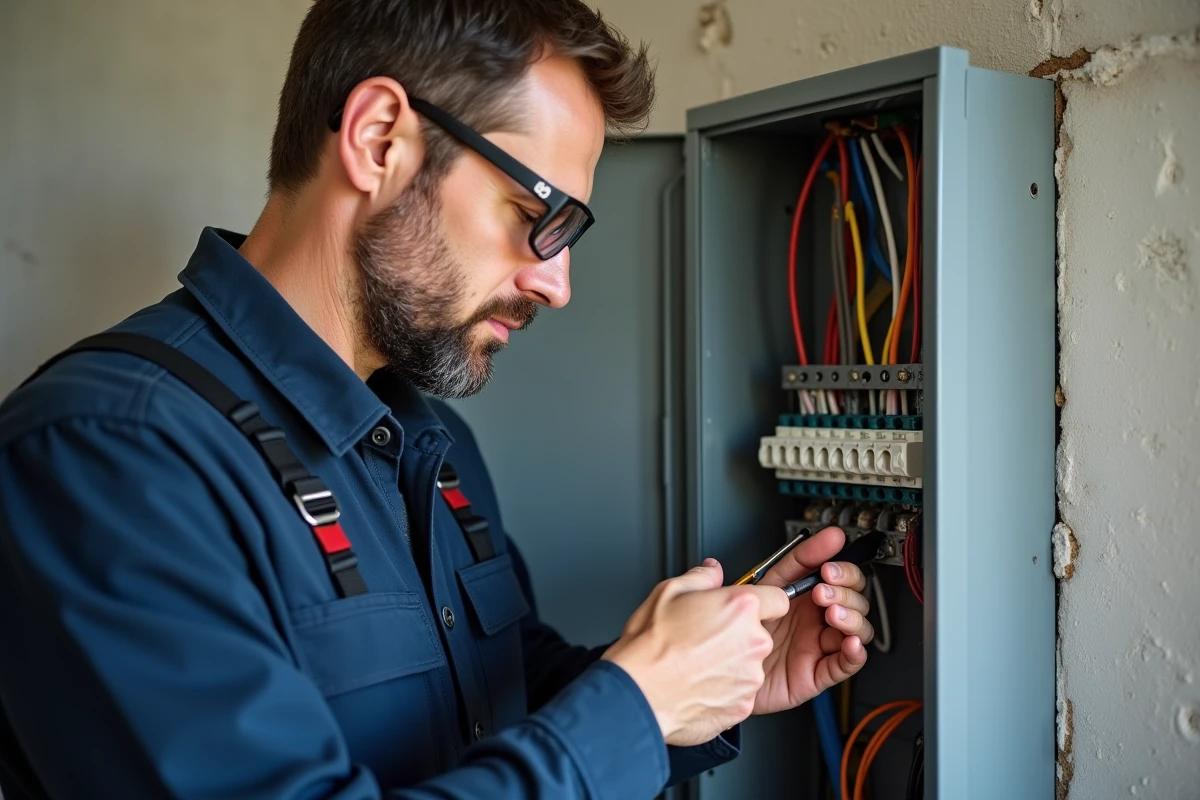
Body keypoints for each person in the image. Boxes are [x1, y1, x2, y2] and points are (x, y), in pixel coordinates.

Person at [0, 1, 875, 797]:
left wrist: (700, 692)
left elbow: (493, 699)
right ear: (380, 139)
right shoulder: (106, 453)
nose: (556, 281)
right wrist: (636, 710)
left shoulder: (429, 441)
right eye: (540, 215)